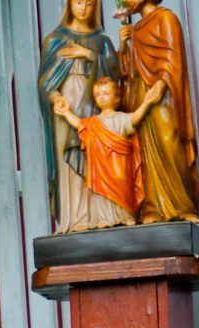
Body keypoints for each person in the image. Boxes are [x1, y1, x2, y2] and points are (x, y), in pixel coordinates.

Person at [114, 0, 199, 223]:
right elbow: (127, 72)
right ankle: (152, 208)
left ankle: (182, 207)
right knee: (145, 153)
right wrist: (124, 46)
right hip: (141, 97)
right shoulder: (135, 28)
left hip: (163, 96)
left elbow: (174, 56)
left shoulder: (166, 19)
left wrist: (161, 84)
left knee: (169, 143)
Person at [37, 0, 118, 233]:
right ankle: (76, 218)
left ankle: (101, 214)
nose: (83, 7)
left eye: (89, 3)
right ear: (70, 5)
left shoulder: (102, 42)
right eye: (79, 2)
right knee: (70, 156)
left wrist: (89, 55)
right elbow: (44, 80)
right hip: (67, 103)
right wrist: (54, 98)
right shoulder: (56, 39)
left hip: (95, 100)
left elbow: (116, 72)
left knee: (96, 155)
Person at [64, 75, 167, 230]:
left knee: (123, 188)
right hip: (100, 167)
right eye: (98, 95)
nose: (102, 97)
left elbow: (135, 119)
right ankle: (105, 217)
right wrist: (66, 112)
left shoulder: (121, 118)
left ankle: (126, 216)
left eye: (106, 93)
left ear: (116, 96)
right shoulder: (93, 122)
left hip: (120, 164)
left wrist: (146, 102)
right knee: (101, 192)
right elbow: (79, 124)